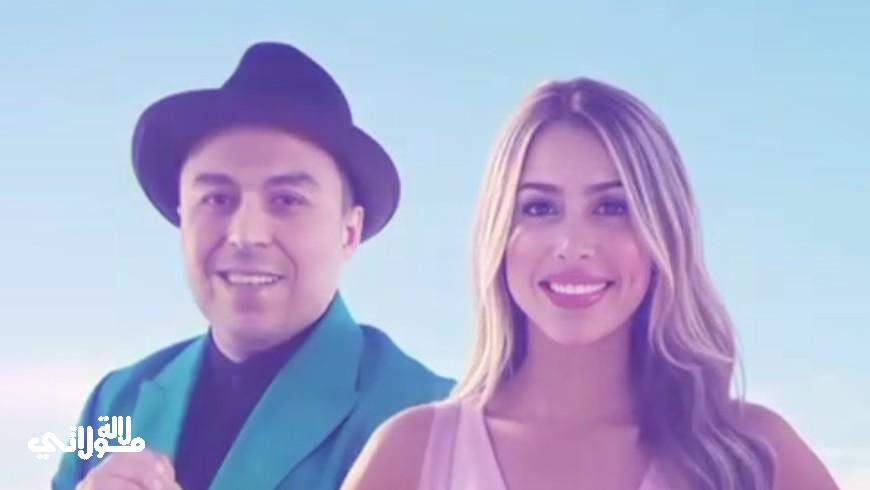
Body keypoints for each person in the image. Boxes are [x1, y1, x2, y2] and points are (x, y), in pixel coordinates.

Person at [341, 78, 838, 490]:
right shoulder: (411, 456)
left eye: (612, 208)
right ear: (498, 234)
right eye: (540, 208)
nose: (573, 245)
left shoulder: (755, 457)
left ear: (664, 232)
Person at [53, 42, 453, 490]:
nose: (245, 234)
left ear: (349, 231)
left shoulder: (437, 419)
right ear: (183, 218)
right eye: (216, 199)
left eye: (287, 200)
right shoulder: (112, 404)